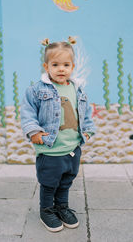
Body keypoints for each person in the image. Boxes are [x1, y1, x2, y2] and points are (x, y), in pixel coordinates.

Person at [21, 37, 95, 232]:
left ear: (73, 66)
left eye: (66, 64)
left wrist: (87, 131)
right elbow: (27, 112)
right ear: (46, 66)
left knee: (66, 181)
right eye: (55, 64)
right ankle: (46, 210)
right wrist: (33, 131)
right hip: (50, 148)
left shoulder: (77, 88)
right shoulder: (37, 90)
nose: (61, 69)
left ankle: (62, 207)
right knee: (49, 182)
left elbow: (86, 112)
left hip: (72, 149)